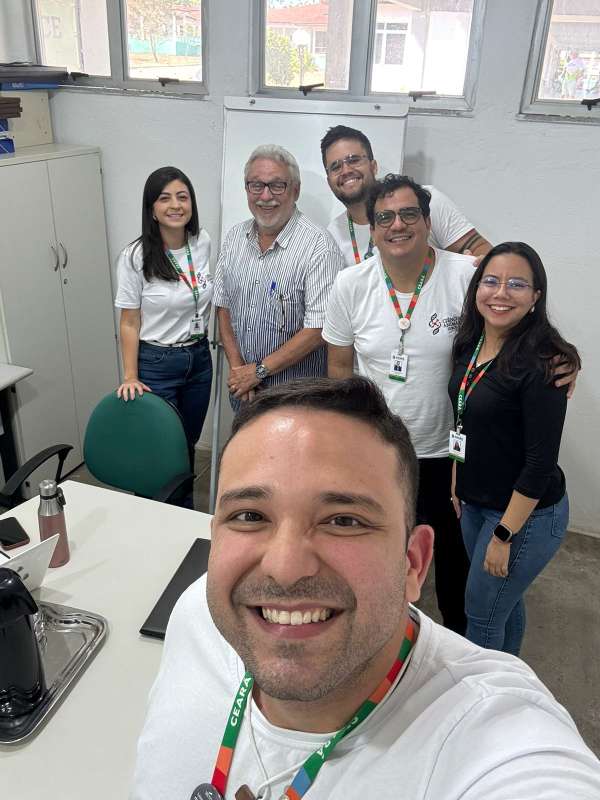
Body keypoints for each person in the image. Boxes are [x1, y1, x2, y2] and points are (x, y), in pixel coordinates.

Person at [131, 378, 600, 800]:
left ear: (413, 563)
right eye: (250, 515)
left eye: (343, 520)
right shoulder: (197, 617)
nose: (285, 569)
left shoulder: (492, 741)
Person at [323, 174, 476, 634]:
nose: (398, 225)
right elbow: (339, 369)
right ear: (372, 229)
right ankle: (384, 634)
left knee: (454, 562)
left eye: (409, 214)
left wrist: (557, 359)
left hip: (449, 455)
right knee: (384, 552)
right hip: (383, 452)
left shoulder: (465, 276)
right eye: (385, 217)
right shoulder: (351, 285)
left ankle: (453, 639)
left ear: (427, 221)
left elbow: (516, 325)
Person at [448, 242, 581, 655]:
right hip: (473, 501)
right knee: (502, 605)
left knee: (481, 616)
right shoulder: (469, 343)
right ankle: (511, 674)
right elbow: (464, 418)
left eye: (517, 284)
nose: (501, 293)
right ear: (477, 288)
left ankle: (485, 692)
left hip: (523, 517)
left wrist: (504, 534)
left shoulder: (546, 363)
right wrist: (457, 478)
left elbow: (540, 464)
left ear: (535, 296)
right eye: (491, 281)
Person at [214, 144, 344, 407]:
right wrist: (238, 369)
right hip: (245, 393)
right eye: (256, 185)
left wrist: (258, 371)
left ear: (295, 190)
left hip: (296, 399)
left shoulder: (319, 247)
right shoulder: (234, 238)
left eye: (277, 185)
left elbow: (318, 329)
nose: (265, 196)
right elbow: (223, 307)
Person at [115, 166, 213, 458]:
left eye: (182, 197)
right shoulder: (135, 257)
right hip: (157, 363)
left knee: (187, 442)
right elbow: (129, 322)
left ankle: (184, 490)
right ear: (152, 209)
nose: (175, 205)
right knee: (161, 446)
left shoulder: (202, 242)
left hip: (199, 358)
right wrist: (130, 376)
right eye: (164, 198)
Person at [321, 124, 492, 266]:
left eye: (353, 160)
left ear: (373, 167)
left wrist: (480, 265)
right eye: (335, 167)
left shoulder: (423, 202)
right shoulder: (332, 236)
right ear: (329, 181)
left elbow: (481, 250)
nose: (346, 170)